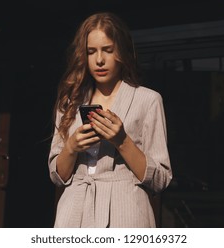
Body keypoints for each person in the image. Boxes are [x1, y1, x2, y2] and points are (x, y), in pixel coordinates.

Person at [48, 12, 172, 228]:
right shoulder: (70, 101)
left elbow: (161, 179)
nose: (99, 60)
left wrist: (122, 141)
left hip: (125, 213)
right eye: (91, 51)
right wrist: (71, 147)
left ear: (121, 52)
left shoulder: (148, 100)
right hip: (74, 213)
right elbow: (57, 177)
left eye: (107, 50)